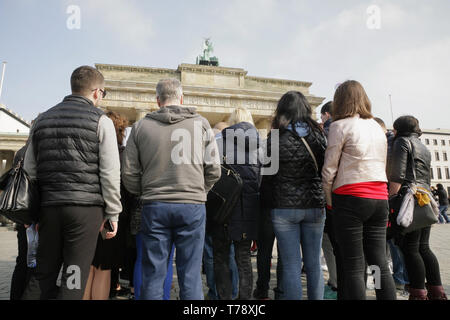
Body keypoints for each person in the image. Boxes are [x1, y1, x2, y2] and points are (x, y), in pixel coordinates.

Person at [22, 66, 122, 300]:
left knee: (43, 273)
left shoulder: (42, 120)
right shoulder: (101, 121)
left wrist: (34, 211)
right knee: (74, 274)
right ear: (97, 92)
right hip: (85, 211)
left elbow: (30, 170)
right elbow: (109, 172)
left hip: (49, 207)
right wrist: (113, 213)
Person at [122, 78, 221, 300]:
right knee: (191, 275)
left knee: (153, 274)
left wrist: (145, 191)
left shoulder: (140, 127)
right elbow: (214, 169)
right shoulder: (202, 124)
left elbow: (128, 173)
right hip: (192, 205)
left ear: (157, 100)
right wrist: (198, 190)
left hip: (154, 205)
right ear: (182, 98)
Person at [322, 80, 397, 300]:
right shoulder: (376, 126)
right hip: (379, 197)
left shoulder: (339, 125)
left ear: (340, 101)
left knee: (354, 264)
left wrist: (329, 201)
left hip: (350, 197)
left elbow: (329, 171)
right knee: (379, 263)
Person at [263, 91, 327, 300]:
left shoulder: (275, 137)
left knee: (291, 265)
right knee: (314, 264)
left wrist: (266, 203)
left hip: (284, 208)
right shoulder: (319, 135)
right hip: (314, 204)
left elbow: (267, 177)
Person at [388, 115, 447, 300]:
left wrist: (390, 197)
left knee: (410, 248)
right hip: (423, 198)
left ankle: (418, 292)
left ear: (398, 129)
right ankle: (437, 291)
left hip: (408, 199)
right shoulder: (423, 146)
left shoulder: (402, 142)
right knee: (424, 247)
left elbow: (397, 175)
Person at [211, 107, 262, 300]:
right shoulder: (262, 145)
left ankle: (224, 298)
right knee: (244, 258)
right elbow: (262, 180)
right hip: (249, 209)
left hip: (223, 207)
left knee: (221, 257)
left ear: (232, 121)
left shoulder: (219, 141)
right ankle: (244, 301)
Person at [83, 111, 129, 300]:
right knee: (103, 269)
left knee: (86, 268)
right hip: (112, 217)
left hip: (88, 213)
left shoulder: (89, 151)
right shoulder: (123, 155)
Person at [203, 121, 239, 300]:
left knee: (211, 253)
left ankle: (214, 293)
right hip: (234, 208)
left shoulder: (211, 146)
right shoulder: (244, 147)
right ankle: (231, 293)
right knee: (230, 252)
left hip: (213, 207)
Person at [374, 117, 409, 291]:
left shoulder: (391, 144)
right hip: (387, 198)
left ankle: (399, 279)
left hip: (388, 198)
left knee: (390, 243)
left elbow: (394, 175)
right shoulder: (395, 142)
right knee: (387, 244)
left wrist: (391, 199)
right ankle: (400, 279)